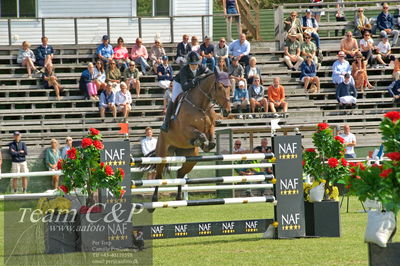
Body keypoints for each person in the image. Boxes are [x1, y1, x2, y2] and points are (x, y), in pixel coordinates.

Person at [160, 52, 212, 132]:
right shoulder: (184, 70)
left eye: (195, 64)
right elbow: (184, 88)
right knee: (174, 99)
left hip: (193, 83)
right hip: (180, 84)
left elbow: (211, 74)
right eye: (192, 64)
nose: (194, 66)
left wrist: (203, 76)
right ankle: (166, 123)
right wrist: (195, 80)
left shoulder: (201, 66)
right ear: (188, 64)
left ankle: (211, 116)